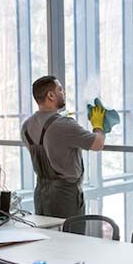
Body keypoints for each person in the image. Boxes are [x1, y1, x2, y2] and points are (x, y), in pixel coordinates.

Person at [21, 75, 105, 219]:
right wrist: (98, 125)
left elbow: (49, 148)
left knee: (47, 237)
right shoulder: (64, 124)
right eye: (60, 89)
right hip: (65, 196)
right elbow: (98, 144)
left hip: (41, 193)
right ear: (51, 95)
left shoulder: (26, 126)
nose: (63, 92)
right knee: (72, 239)